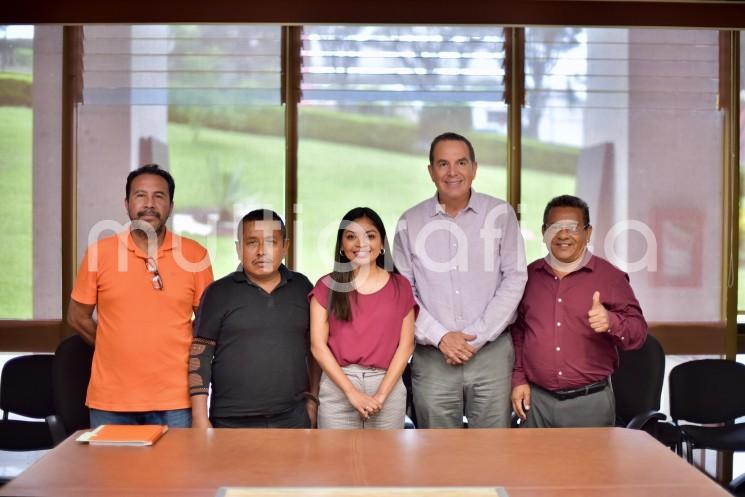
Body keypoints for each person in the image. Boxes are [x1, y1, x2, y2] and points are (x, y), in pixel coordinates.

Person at [393, 132, 527, 428]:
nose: (452, 172)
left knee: (491, 452)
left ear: (474, 168)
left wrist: (474, 338)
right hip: (433, 358)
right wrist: (441, 336)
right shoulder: (409, 223)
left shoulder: (500, 215)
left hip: (491, 356)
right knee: (436, 455)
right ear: (431, 172)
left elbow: (515, 278)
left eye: (461, 162)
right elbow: (403, 292)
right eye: (443, 164)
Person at [67, 164, 213, 428]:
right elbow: (77, 317)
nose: (149, 204)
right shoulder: (99, 252)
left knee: (175, 471)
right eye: (140, 195)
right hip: (111, 400)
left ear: (170, 204)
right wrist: (114, 344)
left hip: (176, 400)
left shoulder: (195, 255)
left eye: (159, 196)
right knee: (111, 471)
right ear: (127, 203)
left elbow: (207, 321)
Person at [511, 194, 648, 428]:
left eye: (573, 227)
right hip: (536, 403)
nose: (563, 235)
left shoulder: (610, 278)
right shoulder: (527, 277)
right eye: (555, 227)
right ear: (544, 232)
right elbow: (519, 335)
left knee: (588, 466)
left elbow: (638, 334)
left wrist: (611, 322)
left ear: (588, 232)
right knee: (532, 466)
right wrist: (518, 379)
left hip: (589, 403)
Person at [189, 209, 320, 429]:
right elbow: (199, 356)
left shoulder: (302, 288)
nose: (261, 251)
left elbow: (316, 349)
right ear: (239, 249)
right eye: (251, 243)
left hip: (292, 418)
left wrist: (313, 400)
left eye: (270, 242)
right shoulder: (218, 292)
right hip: (231, 421)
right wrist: (200, 417)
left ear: (285, 247)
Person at [309, 207, 416, 429]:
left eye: (370, 235)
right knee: (338, 461)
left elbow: (406, 346)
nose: (361, 243)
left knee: (384, 461)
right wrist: (352, 393)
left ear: (381, 243)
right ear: (341, 245)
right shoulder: (325, 287)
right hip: (339, 384)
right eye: (351, 236)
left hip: (388, 384)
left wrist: (381, 395)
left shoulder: (401, 287)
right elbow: (317, 346)